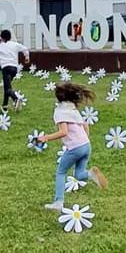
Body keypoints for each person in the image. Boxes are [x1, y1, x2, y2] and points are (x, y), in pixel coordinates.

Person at [38, 81, 107, 210]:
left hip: (75, 147)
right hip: (86, 145)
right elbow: (85, 125)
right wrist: (85, 140)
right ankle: (91, 174)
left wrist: (46, 137)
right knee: (79, 174)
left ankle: (58, 202)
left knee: (61, 172)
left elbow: (64, 132)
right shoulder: (73, 109)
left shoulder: (60, 111)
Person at [0, 29, 29, 111]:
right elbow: (24, 49)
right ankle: (4, 106)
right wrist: (27, 57)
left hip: (6, 68)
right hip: (14, 69)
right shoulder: (15, 44)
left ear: (2, 38)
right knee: (7, 87)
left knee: (7, 89)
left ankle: (16, 98)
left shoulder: (0, 46)